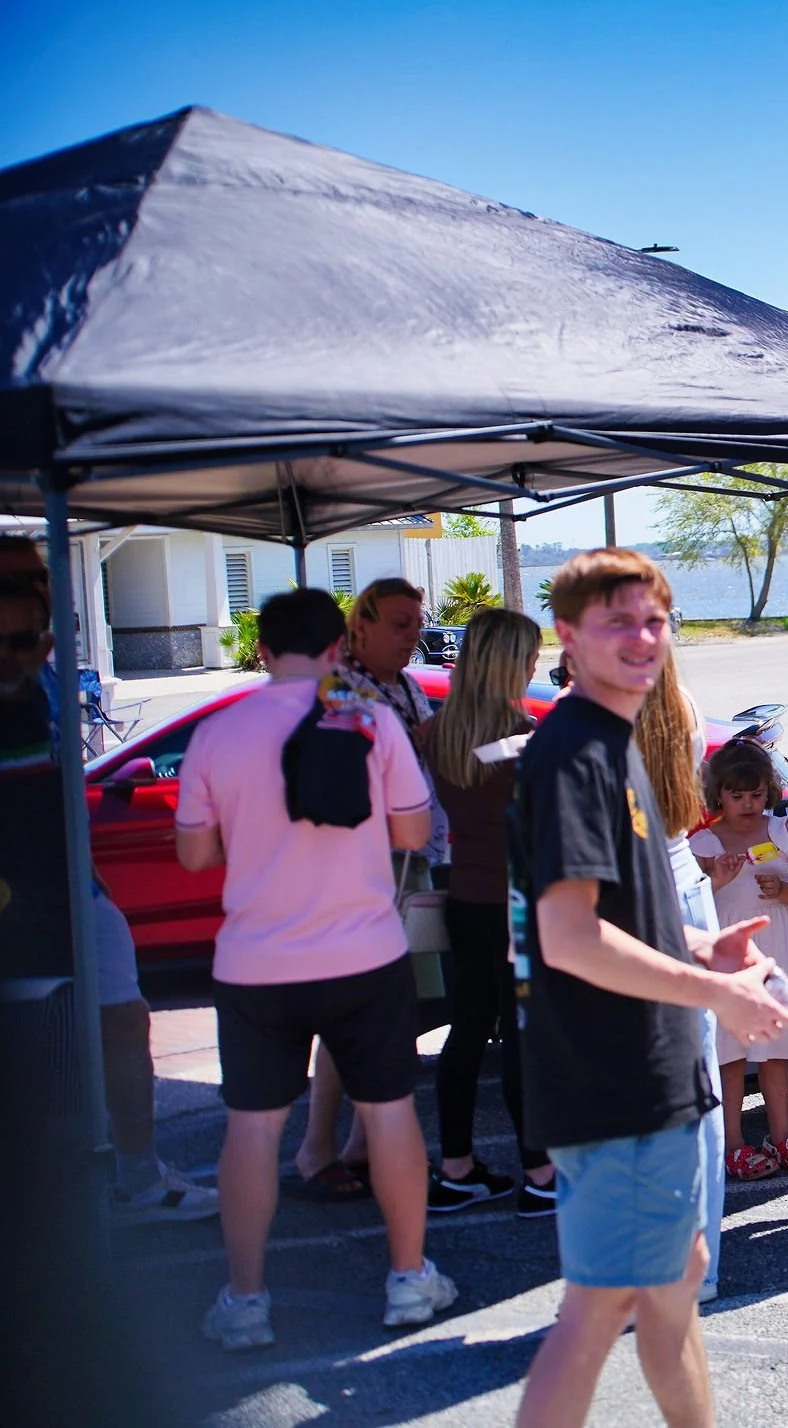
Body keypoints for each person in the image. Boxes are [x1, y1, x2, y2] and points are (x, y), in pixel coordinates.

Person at [510, 547, 788, 1428]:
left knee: (675, 1285)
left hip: (651, 1075)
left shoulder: (615, 742)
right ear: (567, 636)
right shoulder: (573, 755)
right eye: (616, 623)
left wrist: (705, 947)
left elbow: (623, 918)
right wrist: (717, 995)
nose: (641, 639)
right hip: (613, 1080)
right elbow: (567, 936)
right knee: (599, 1308)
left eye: (653, 621)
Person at [173, 587, 455, 1350]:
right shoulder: (369, 722)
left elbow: (195, 853)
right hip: (364, 952)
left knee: (252, 1128)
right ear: (339, 646)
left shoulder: (218, 731)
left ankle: (245, 1298)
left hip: (255, 961)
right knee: (389, 1111)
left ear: (261, 648)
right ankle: (407, 1278)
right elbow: (412, 828)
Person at [0, 538, 218, 1224]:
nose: (37, 594)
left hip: (71, 886)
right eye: (19, 582)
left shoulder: (48, 680)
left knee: (122, 1018)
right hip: (24, 901)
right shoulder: (20, 689)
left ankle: (135, 1173)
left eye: (39, 580)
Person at [296, 574, 443, 1196]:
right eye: (400, 624)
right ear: (361, 628)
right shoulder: (339, 690)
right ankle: (316, 1147)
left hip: (411, 861)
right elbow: (340, 778)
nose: (413, 636)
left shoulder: (404, 686)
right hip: (360, 869)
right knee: (352, 1011)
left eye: (417, 623)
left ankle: (360, 1144)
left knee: (396, 1010)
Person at [420, 606, 556, 1217]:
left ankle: (455, 1167)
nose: (537, 666)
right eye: (529, 658)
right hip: (519, 902)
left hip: (464, 894)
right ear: (511, 664)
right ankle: (540, 1173)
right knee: (527, 1037)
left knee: (467, 1032)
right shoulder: (525, 740)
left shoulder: (436, 732)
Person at [633, 648, 727, 1305]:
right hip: (685, 884)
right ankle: (700, 1264)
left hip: (645, 893)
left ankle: (670, 1271)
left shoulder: (610, 720)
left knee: (652, 1092)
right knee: (700, 1087)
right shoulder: (681, 707)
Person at [691, 740, 788, 1180]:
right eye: (737, 795)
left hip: (780, 950)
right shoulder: (702, 843)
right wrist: (715, 880)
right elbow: (688, 910)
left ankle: (781, 1136)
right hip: (728, 957)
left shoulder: (786, 831)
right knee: (730, 1052)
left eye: (755, 794)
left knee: (776, 1052)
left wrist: (783, 891)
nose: (748, 804)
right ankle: (732, 1143)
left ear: (768, 791)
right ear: (718, 796)